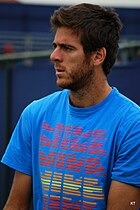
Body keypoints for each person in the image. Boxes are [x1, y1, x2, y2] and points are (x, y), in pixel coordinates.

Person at [1, 3, 140, 210]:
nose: (54, 56)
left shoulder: (132, 125)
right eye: (55, 46)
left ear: (98, 56)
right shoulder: (35, 114)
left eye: (67, 48)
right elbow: (16, 205)